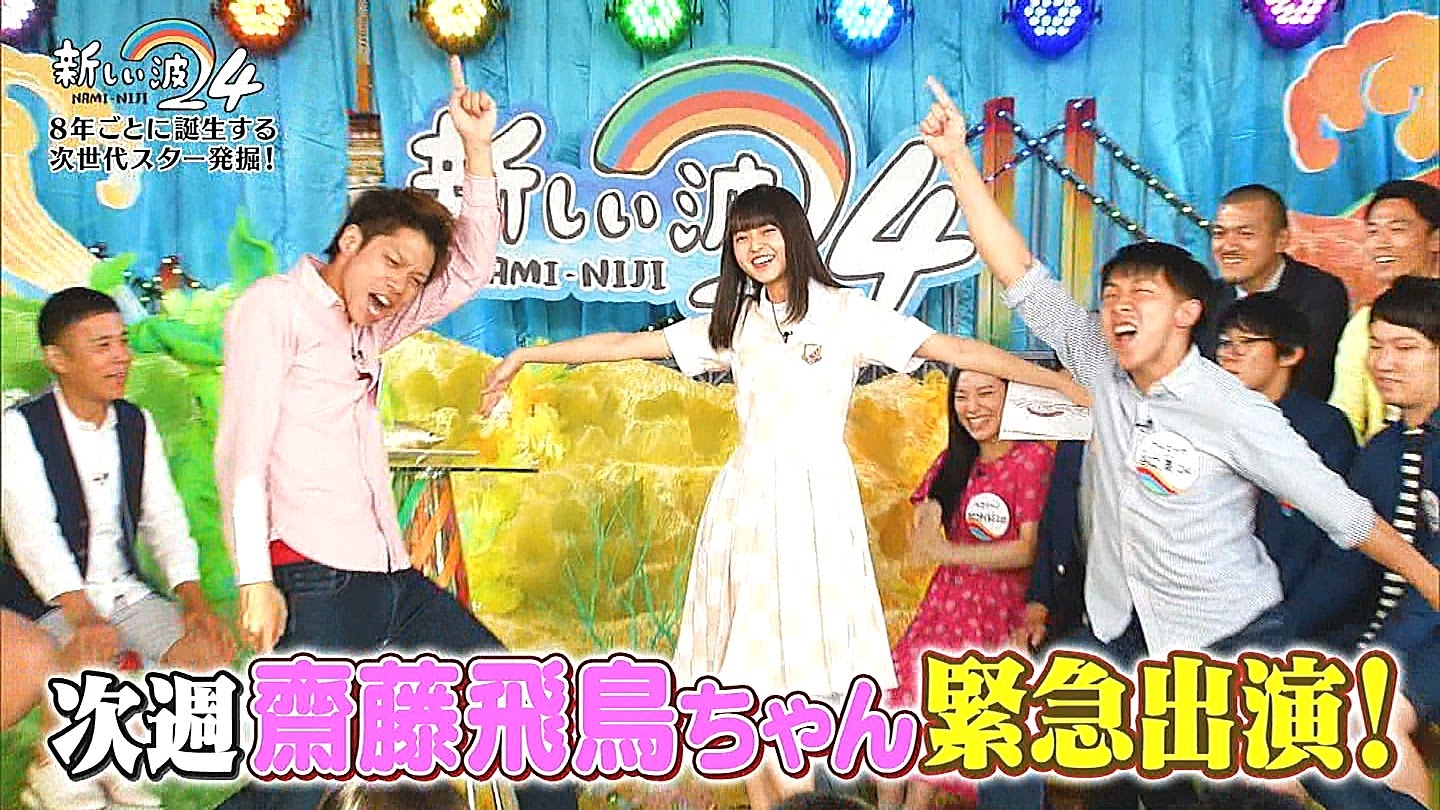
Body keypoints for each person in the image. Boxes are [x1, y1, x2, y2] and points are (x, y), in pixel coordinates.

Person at [920, 75, 1440, 808]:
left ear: (1190, 312)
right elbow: (1017, 271)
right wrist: (955, 159)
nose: (1120, 308)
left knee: (1322, 786)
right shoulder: (1101, 368)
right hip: (1124, 631)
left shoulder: (1234, 410)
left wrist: (1428, 579)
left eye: (1143, 295)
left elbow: (1342, 512)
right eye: (1111, 295)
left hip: (1233, 636)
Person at [481, 183, 1085, 810]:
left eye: (766, 231)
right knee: (749, 671)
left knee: (802, 674)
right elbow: (625, 346)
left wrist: (1057, 383)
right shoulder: (736, 323)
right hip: (745, 506)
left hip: (815, 508)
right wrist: (528, 355)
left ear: (793, 234)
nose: (755, 246)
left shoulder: (845, 313)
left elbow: (953, 349)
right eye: (741, 237)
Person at [214, 58, 575, 810]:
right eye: (393, 262)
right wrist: (253, 579)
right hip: (315, 578)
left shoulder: (369, 328)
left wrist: (477, 150)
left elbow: (467, 270)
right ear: (350, 242)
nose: (403, 286)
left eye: (415, 278)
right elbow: (241, 457)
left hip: (391, 578)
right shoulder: (274, 308)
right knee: (291, 789)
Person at [1, 287, 234, 810]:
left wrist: (194, 603)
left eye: (123, 342)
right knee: (96, 664)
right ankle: (55, 774)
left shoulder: (135, 423)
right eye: (102, 345)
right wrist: (83, 618)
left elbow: (164, 518)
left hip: (125, 592)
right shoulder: (19, 428)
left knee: (206, 663)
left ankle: (119, 759)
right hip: (48, 599)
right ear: (57, 359)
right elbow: (33, 535)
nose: (121, 357)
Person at [877, 368, 1054, 809]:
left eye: (986, 393)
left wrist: (949, 552)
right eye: (962, 396)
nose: (972, 407)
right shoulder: (952, 462)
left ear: (1012, 396)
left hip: (995, 613)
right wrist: (926, 520)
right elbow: (920, 531)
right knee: (898, 710)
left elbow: (1027, 549)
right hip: (942, 607)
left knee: (944, 722)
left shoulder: (1033, 459)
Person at [1213, 293, 1375, 648]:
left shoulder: (1323, 428)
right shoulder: (1204, 421)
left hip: (1292, 621)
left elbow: (1333, 542)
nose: (1230, 354)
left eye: (1246, 343)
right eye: (1224, 343)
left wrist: (1285, 622)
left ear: (1289, 354)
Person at [1203, 184, 1349, 399]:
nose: (1228, 246)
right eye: (1219, 233)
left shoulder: (1319, 292)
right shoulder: (1207, 296)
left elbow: (1312, 380)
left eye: (1245, 234)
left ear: (1281, 241)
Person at [1331, 179, 1440, 441]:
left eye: (1397, 229)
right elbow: (1345, 416)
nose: (1381, 243)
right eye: (1372, 232)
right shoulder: (1363, 323)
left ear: (1436, 239)